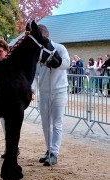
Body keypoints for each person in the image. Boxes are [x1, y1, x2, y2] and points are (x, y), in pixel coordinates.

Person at [34, 24, 70, 166]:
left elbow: (67, 63)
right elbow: (35, 73)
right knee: (45, 124)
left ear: (46, 35)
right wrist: (31, 88)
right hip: (44, 92)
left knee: (57, 123)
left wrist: (57, 62)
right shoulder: (38, 52)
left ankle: (54, 153)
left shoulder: (60, 48)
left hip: (59, 90)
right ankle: (48, 150)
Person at [0, 39, 19, 158]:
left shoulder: (12, 64)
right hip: (2, 101)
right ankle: (11, 149)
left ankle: (12, 149)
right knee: (4, 126)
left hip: (14, 101)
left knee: (12, 126)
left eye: (0, 51)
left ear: (7, 51)